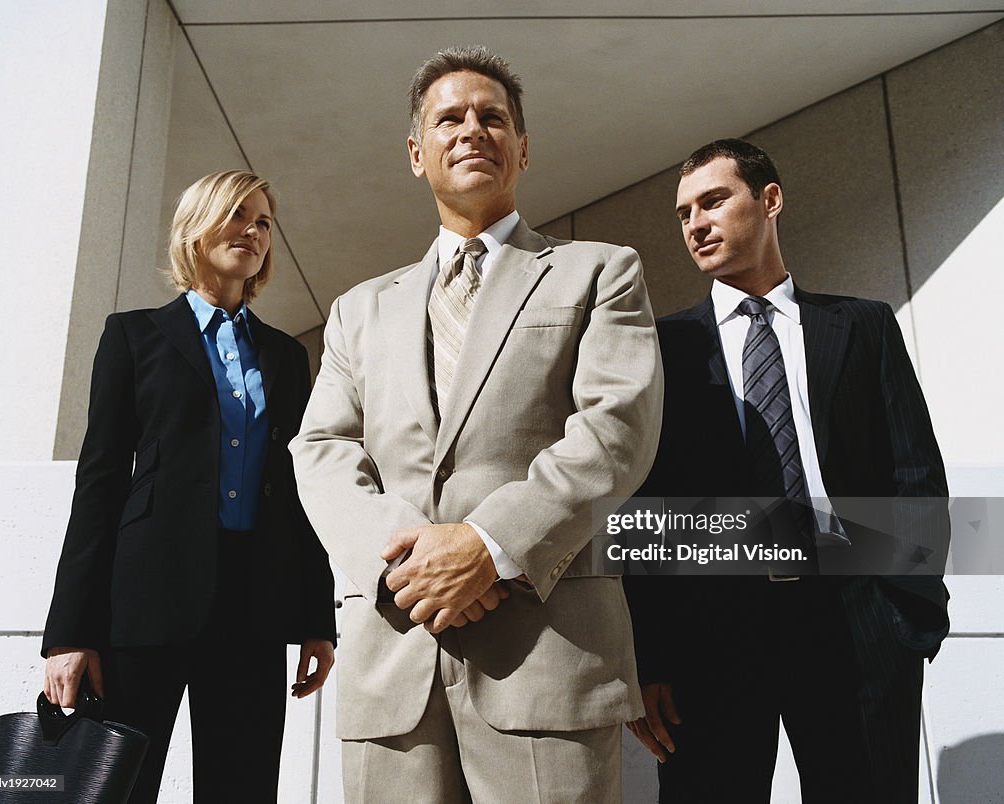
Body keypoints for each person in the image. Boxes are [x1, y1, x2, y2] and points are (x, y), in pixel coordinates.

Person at [290, 45, 662, 802]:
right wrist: (408, 566)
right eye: (449, 118)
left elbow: (615, 428)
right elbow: (324, 448)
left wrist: (489, 547)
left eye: (493, 118)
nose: (472, 130)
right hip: (395, 660)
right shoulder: (358, 310)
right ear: (416, 153)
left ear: (522, 147)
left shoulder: (600, 270)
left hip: (546, 656)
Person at [623, 138, 950, 804]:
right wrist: (648, 659)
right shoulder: (663, 348)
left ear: (769, 200)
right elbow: (644, 503)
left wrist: (909, 615)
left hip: (857, 625)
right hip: (709, 639)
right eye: (685, 212)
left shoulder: (862, 325)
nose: (696, 224)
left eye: (714, 200)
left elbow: (913, 474)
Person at [42, 170, 337, 803]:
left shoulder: (285, 357)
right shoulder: (133, 336)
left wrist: (317, 617)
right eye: (237, 215)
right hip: (144, 604)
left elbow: (298, 491)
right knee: (118, 788)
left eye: (262, 223)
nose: (253, 232)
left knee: (243, 789)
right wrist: (70, 633)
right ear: (196, 227)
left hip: (254, 606)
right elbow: (99, 483)